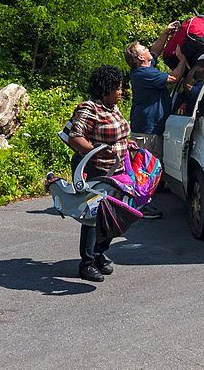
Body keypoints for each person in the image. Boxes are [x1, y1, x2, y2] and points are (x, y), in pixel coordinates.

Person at [63, 65, 132, 282]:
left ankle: (100, 252)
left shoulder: (112, 108)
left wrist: (125, 145)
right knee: (92, 217)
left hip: (116, 171)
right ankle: (87, 263)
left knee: (112, 217)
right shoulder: (89, 108)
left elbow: (117, 134)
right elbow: (75, 137)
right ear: (106, 89)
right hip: (95, 171)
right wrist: (97, 151)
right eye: (118, 89)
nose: (121, 92)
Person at [124, 23, 188, 219]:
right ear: (140, 58)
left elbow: (155, 50)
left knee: (149, 165)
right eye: (143, 49)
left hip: (150, 127)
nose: (148, 49)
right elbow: (175, 77)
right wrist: (183, 59)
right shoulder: (145, 74)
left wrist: (165, 33)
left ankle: (145, 198)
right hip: (147, 129)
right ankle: (139, 206)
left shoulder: (144, 67)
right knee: (143, 168)